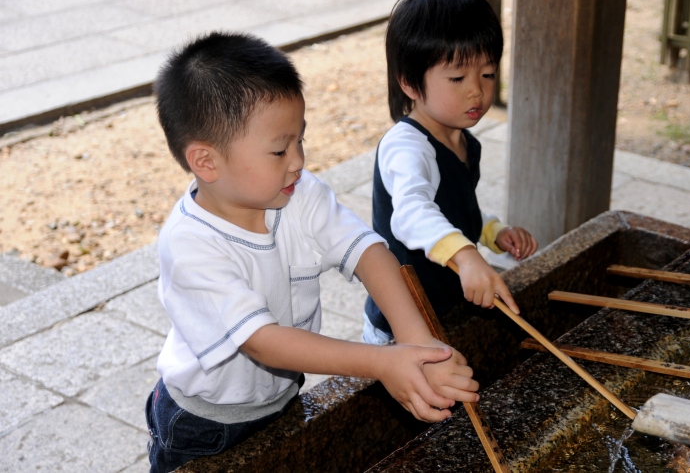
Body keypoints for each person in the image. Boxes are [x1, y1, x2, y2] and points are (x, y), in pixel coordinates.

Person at [146, 31, 479, 473]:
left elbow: (368, 252)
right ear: (206, 162)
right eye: (280, 149)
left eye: (300, 140)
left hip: (279, 399)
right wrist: (382, 363)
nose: (298, 160)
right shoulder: (189, 246)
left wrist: (419, 346)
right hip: (204, 425)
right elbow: (264, 344)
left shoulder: (297, 194)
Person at [363, 0, 538, 345]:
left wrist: (491, 233)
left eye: (488, 74)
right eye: (457, 77)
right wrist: (467, 255)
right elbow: (412, 213)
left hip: (445, 309)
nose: (476, 90)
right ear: (410, 84)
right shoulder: (406, 146)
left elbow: (453, 209)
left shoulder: (463, 140)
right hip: (404, 325)